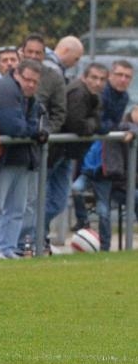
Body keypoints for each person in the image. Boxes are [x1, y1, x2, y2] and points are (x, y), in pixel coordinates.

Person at [0, 59, 47, 259]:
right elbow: (12, 126)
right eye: (27, 79)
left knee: (17, 207)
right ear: (17, 74)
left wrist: (32, 130)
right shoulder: (6, 89)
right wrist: (34, 132)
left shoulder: (30, 97)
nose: (31, 85)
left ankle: (8, 248)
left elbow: (32, 122)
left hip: (22, 157)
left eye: (35, 82)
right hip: (4, 157)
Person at [71, 60, 134, 250]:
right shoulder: (101, 95)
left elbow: (112, 125)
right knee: (76, 189)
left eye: (127, 76)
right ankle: (83, 222)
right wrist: (108, 128)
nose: (123, 79)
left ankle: (105, 248)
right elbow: (101, 124)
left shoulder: (123, 98)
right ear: (111, 76)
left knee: (104, 210)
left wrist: (122, 128)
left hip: (106, 165)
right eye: (119, 75)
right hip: (89, 160)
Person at [44, 62, 108, 241]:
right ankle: (34, 235)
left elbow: (95, 121)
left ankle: (38, 235)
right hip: (55, 153)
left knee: (59, 201)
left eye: (102, 79)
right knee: (48, 199)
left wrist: (93, 123)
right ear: (84, 77)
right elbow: (78, 125)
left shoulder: (94, 96)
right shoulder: (79, 92)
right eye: (94, 77)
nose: (98, 82)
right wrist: (94, 123)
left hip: (65, 154)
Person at [15, 33, 66, 255]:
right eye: (30, 52)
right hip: (12, 145)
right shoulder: (13, 74)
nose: (34, 56)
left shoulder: (54, 77)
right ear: (22, 52)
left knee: (34, 200)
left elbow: (59, 112)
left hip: (39, 149)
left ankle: (30, 241)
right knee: (8, 201)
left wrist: (46, 132)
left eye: (39, 53)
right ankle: (10, 244)